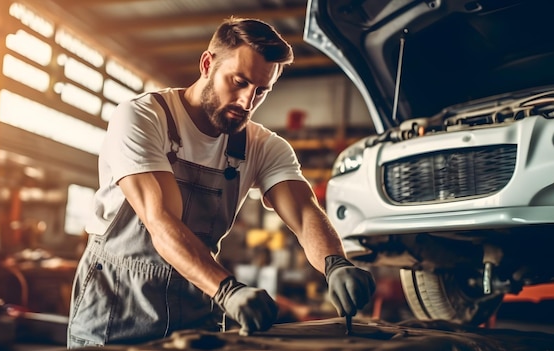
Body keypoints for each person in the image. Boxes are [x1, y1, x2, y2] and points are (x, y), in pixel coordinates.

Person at [67, 16, 375, 348]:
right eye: (239, 82)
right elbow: (161, 223)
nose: (247, 102)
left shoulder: (262, 146)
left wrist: (335, 262)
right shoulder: (144, 118)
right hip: (117, 307)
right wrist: (227, 289)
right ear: (207, 64)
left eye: (261, 91)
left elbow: (303, 212)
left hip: (197, 305)